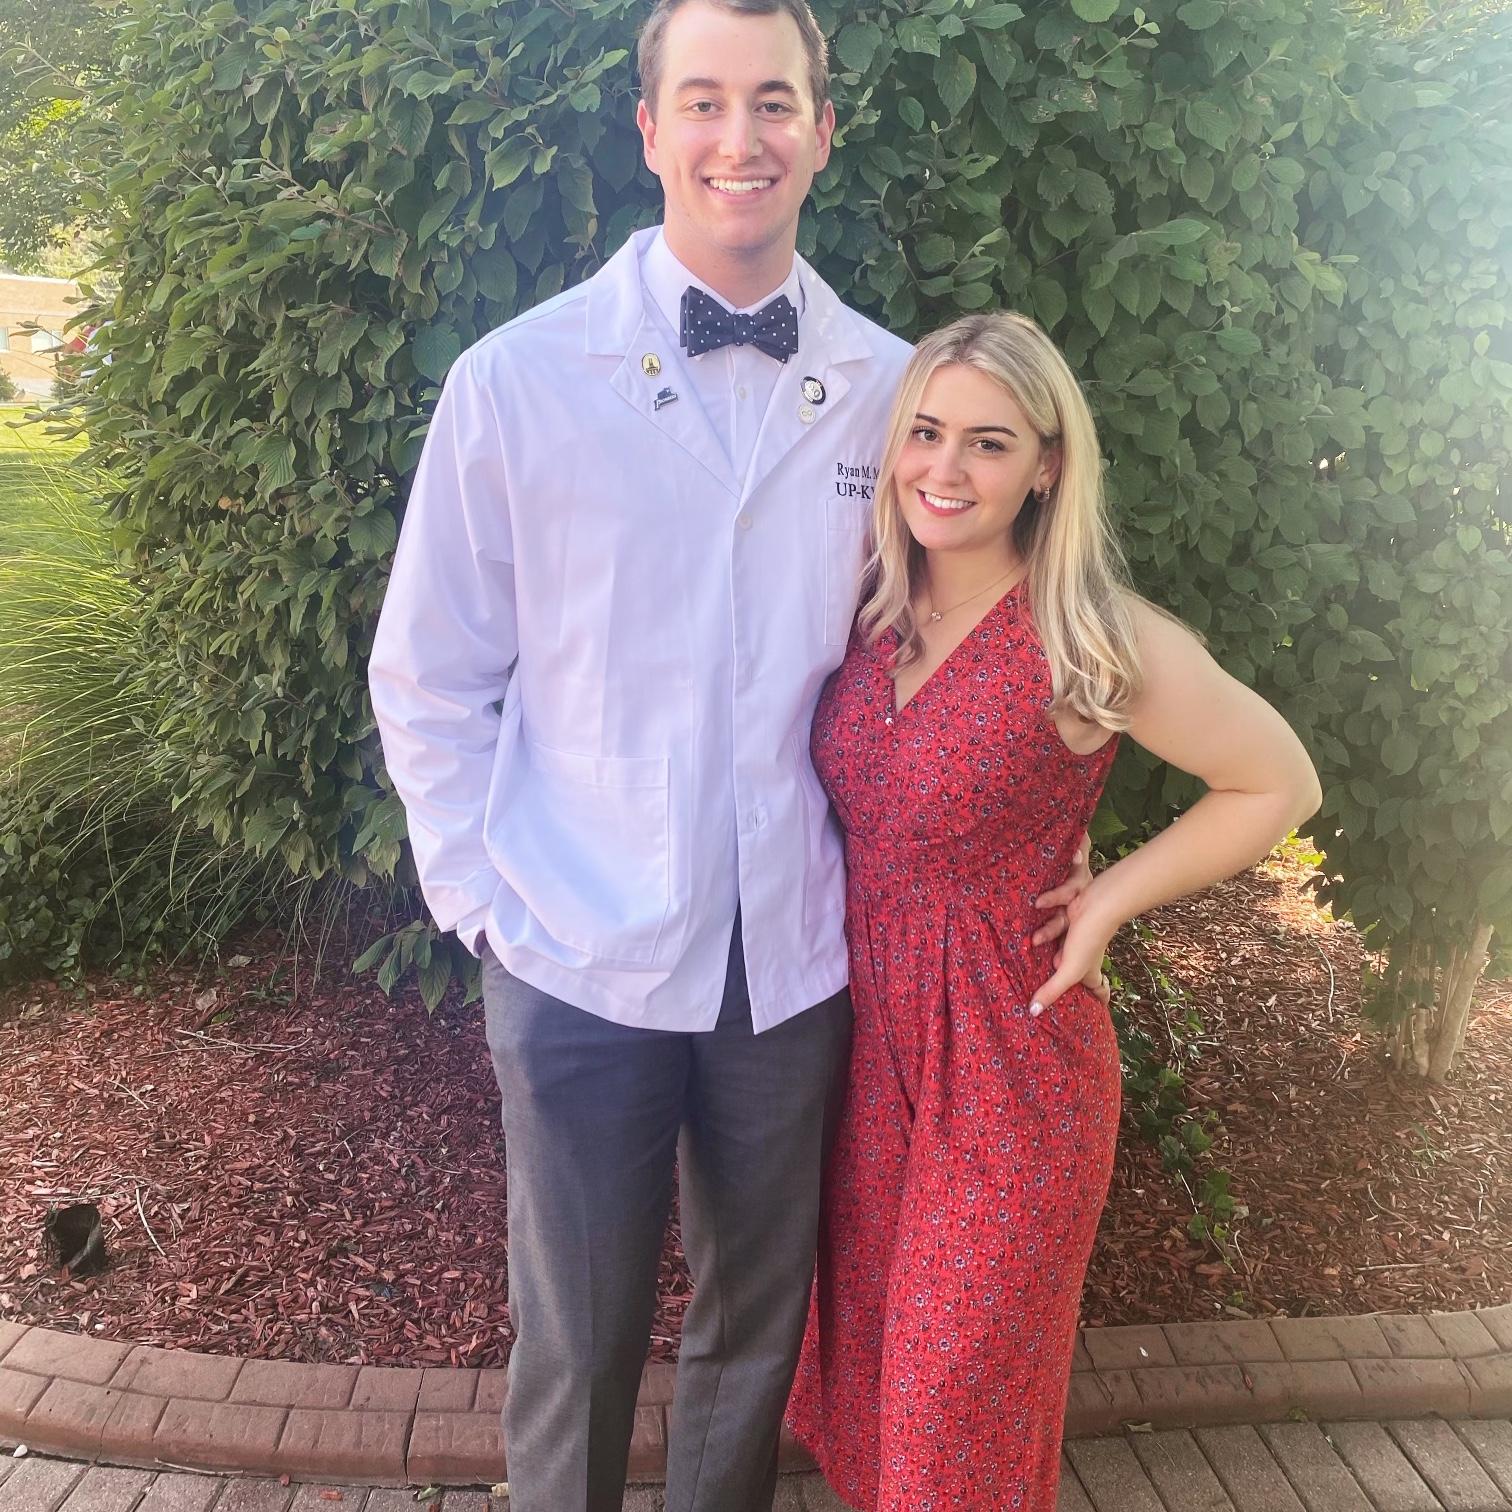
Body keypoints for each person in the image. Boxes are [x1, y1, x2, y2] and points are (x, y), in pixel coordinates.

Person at [368, 5, 1093, 1510]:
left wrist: (1044, 831)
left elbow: (990, 631)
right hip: (573, 946)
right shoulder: (518, 381)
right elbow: (429, 674)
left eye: (774, 101)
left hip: (798, 962)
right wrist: (483, 907)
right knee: (576, 1347)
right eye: (702, 100)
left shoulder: (897, 395)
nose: (739, 137)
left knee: (756, 1339)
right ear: (650, 131)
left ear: (824, 129)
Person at [786, 311, 1323, 1512]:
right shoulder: (865, 605)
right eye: (925, 432)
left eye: (989, 443)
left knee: (951, 1421)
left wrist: (1110, 900)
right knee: (875, 1406)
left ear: (1047, 465)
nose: (946, 468)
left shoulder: (1086, 634)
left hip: (1011, 1068)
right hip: (861, 1065)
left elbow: (1277, 780)